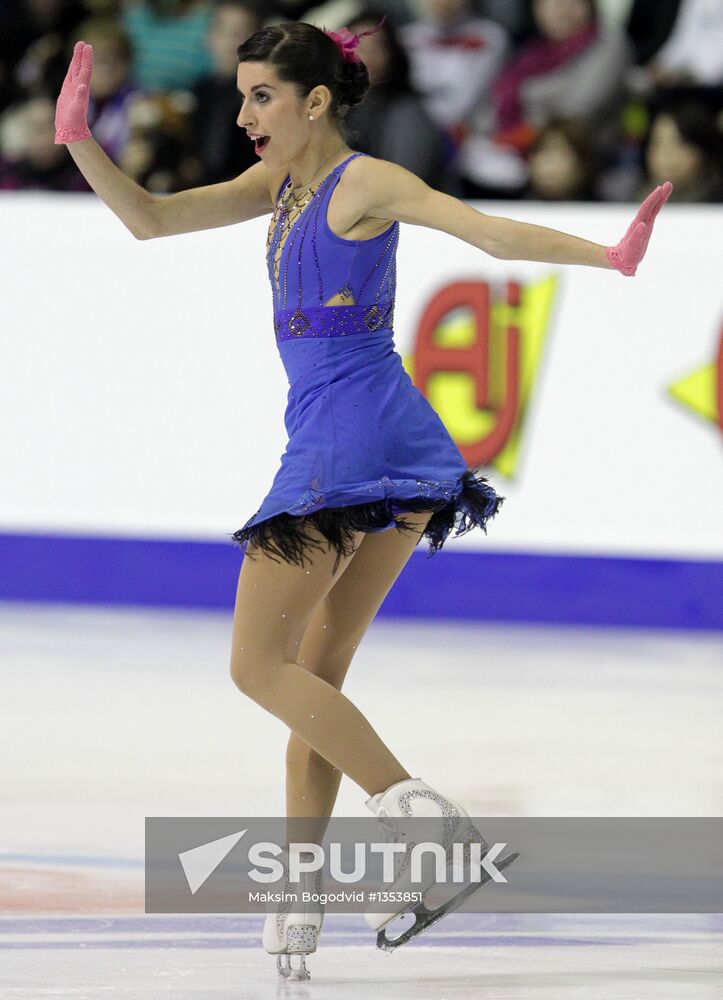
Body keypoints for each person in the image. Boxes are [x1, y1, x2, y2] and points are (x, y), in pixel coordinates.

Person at [54, 25, 672, 981]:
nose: (242, 115)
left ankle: (428, 829)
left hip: (345, 445)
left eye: (261, 97)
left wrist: (605, 253)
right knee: (317, 675)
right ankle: (300, 904)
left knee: (256, 666)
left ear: (312, 102)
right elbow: (150, 219)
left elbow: (483, 228)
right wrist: (82, 142)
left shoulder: (363, 181)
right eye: (241, 95)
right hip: (397, 444)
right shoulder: (281, 188)